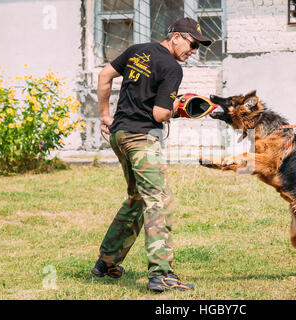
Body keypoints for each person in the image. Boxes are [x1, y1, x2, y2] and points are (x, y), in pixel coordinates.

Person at [91, 17, 211, 293]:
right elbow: (159, 113)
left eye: (197, 48)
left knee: (137, 198)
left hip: (119, 136)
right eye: (192, 45)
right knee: (158, 201)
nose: (193, 52)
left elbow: (104, 76)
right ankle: (161, 273)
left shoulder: (137, 50)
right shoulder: (172, 68)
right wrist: (177, 110)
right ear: (176, 36)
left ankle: (107, 261)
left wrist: (105, 116)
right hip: (142, 139)